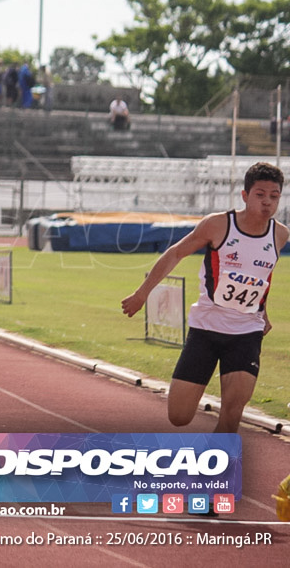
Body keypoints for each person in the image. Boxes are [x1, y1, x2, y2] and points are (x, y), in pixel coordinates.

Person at [121, 162, 288, 434]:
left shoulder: (279, 234)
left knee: (232, 413)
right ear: (245, 196)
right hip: (206, 329)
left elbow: (261, 276)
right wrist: (142, 294)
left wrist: (264, 313)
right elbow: (176, 253)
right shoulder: (218, 225)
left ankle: (215, 471)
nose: (267, 202)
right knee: (179, 415)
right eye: (260, 194)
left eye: (274, 195)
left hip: (247, 332)